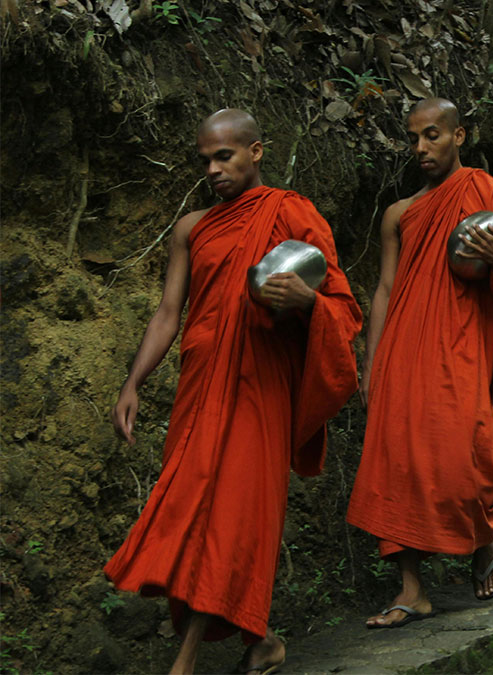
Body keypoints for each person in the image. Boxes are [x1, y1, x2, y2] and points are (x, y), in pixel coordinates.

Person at [105, 109, 362, 674]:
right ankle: (263, 641)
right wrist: (133, 382)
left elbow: (342, 307)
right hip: (202, 389)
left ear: (256, 151)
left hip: (262, 386)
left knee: (233, 514)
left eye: (225, 156)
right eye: (205, 161)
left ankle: (186, 662)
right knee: (193, 509)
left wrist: (308, 303)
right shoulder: (192, 227)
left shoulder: (292, 213)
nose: (214, 170)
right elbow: (169, 313)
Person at [346, 99, 493, 627]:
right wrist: (372, 360)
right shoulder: (400, 213)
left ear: (459, 136)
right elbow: (385, 288)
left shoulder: (490, 195)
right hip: (403, 347)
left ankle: (484, 538)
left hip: (461, 344)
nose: (421, 148)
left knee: (464, 452)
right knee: (395, 464)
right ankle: (412, 589)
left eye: (432, 135)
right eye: (414, 138)